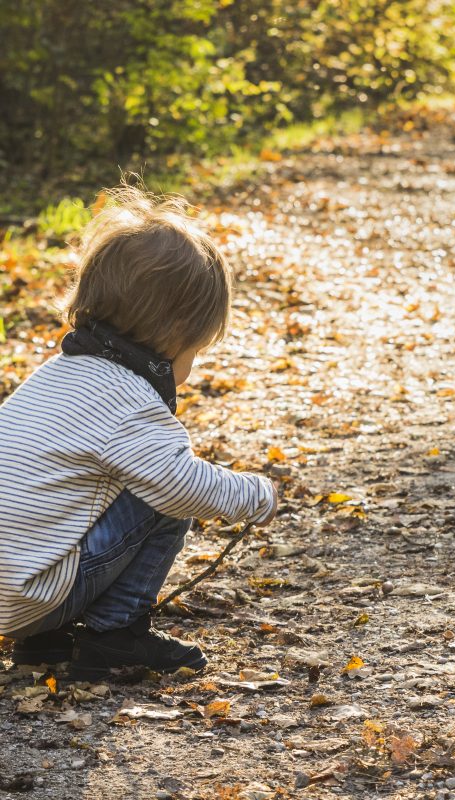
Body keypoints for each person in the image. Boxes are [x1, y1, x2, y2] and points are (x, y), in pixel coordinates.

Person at [0, 186, 278, 681]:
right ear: (175, 331)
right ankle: (116, 634)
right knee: (165, 493)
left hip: (14, 591)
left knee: (78, 495)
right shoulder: (127, 399)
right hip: (32, 594)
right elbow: (181, 485)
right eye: (198, 347)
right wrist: (254, 495)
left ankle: (43, 642)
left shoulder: (54, 375)